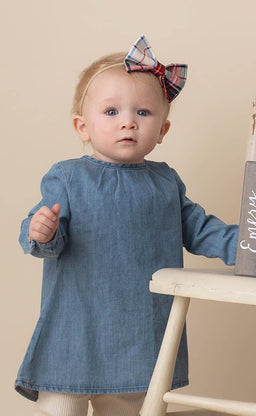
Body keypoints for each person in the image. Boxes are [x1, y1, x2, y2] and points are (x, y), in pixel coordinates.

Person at [16, 35, 238, 416]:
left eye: (143, 113)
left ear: (163, 131)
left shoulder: (165, 182)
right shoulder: (68, 178)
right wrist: (43, 231)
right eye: (111, 112)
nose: (128, 123)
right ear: (82, 126)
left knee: (129, 408)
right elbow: (47, 234)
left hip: (137, 336)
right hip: (74, 331)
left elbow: (202, 230)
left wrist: (254, 245)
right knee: (61, 408)